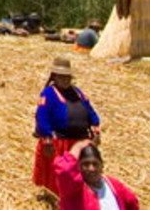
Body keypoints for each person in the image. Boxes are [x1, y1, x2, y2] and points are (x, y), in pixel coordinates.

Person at [34, 57, 101, 196]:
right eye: (61, 77)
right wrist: (46, 137)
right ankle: (58, 198)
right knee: (61, 174)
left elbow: (89, 109)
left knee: (80, 173)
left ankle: (80, 196)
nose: (65, 80)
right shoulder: (48, 94)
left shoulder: (78, 93)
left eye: (67, 77)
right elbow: (42, 116)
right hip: (60, 142)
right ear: (55, 77)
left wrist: (95, 124)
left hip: (80, 142)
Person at [54, 139, 139, 210]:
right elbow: (65, 170)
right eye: (86, 164)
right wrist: (78, 146)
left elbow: (132, 202)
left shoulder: (113, 185)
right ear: (78, 167)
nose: (91, 169)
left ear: (102, 166)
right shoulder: (73, 191)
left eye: (95, 164)